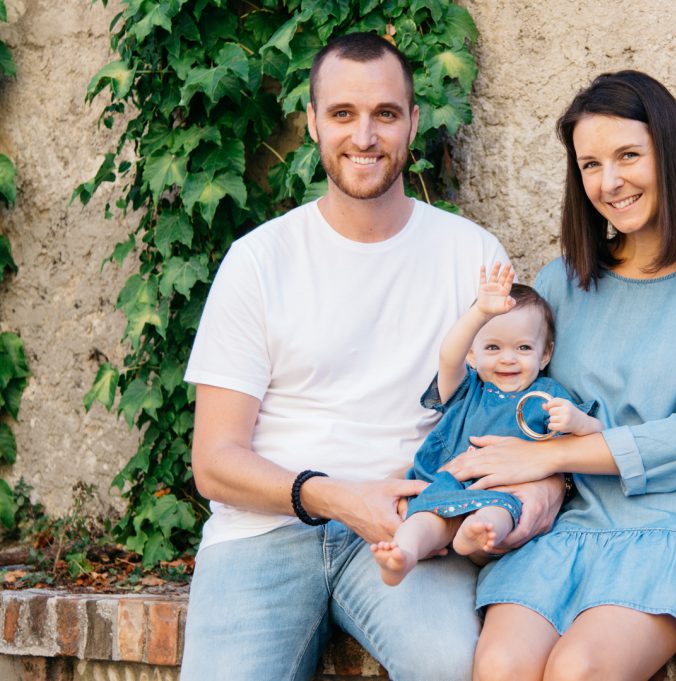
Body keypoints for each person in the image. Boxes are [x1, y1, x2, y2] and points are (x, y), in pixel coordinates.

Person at [178, 32, 565, 681]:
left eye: (385, 113)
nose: (365, 135)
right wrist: (335, 497)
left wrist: (525, 496)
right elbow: (215, 462)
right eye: (342, 114)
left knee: (451, 666)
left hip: (414, 529)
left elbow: (507, 411)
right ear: (311, 123)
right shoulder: (259, 261)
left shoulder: (471, 256)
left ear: (413, 122)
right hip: (263, 534)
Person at [443, 70, 676, 681]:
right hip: (571, 523)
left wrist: (549, 456)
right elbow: (503, 402)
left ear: (670, 154)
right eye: (590, 164)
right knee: (499, 666)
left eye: (629, 155)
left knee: (580, 670)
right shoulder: (558, 285)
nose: (610, 182)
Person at [371, 264, 601, 585]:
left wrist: (577, 421)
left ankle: (476, 535)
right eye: (493, 347)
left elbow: (595, 440)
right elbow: (448, 356)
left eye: (523, 348)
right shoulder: (468, 389)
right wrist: (480, 312)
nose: (508, 358)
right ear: (472, 355)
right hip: (448, 484)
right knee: (423, 518)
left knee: (500, 512)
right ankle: (403, 554)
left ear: (545, 355)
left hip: (506, 491)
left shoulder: (546, 395)